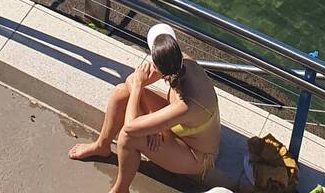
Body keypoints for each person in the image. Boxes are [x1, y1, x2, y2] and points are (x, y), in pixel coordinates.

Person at [70, 24, 220, 191]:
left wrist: (138, 87)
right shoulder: (177, 62)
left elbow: (130, 128)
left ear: (155, 66)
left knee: (128, 138)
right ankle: (102, 146)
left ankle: (121, 189)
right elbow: (130, 80)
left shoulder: (185, 104)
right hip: (177, 125)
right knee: (121, 92)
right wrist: (152, 123)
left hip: (196, 156)